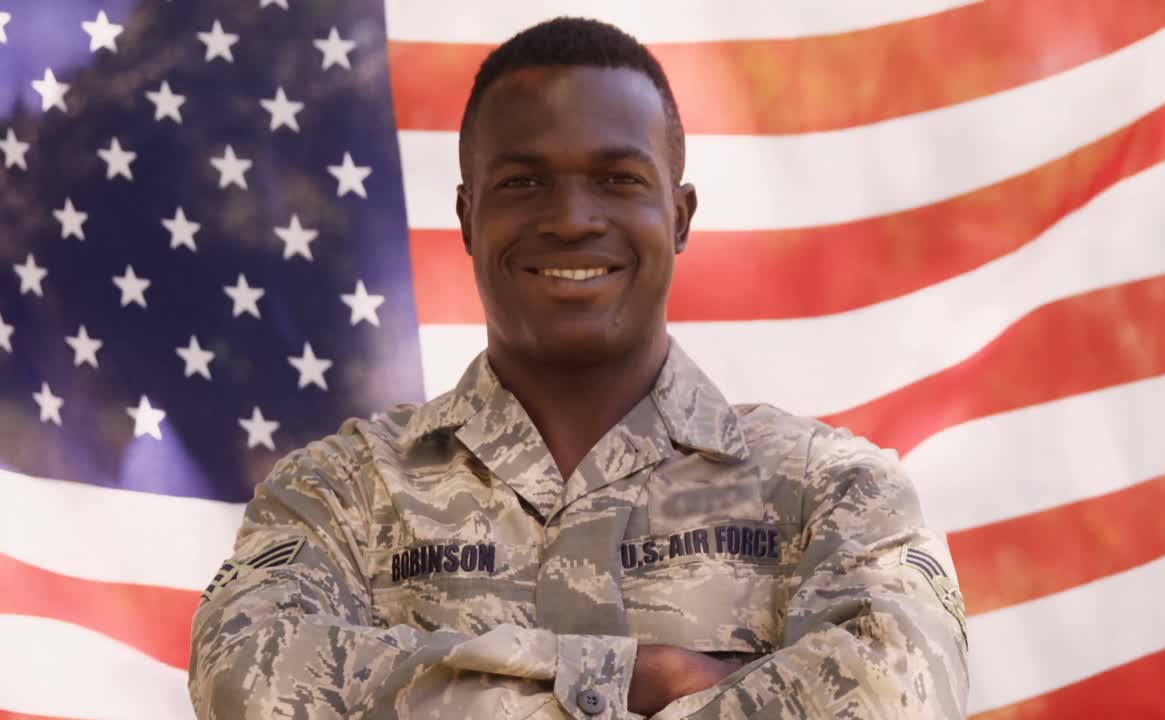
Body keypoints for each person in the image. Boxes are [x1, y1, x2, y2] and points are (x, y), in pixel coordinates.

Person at [188, 16, 969, 719]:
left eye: (618, 180)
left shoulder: (831, 489)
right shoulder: (339, 493)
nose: (570, 219)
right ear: (467, 218)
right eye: (523, 183)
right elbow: (247, 678)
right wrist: (630, 679)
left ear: (681, 215)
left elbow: (893, 692)